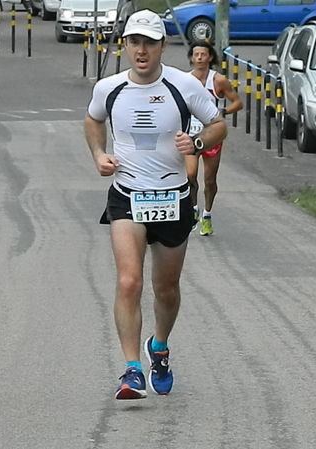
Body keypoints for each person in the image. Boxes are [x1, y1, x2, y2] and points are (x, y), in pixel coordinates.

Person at [84, 9, 227, 400]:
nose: (141, 50)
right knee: (129, 281)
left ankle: (158, 347)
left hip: (173, 198)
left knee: (166, 289)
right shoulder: (108, 88)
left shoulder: (184, 86)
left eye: (149, 42)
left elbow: (217, 124)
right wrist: (99, 154)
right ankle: (132, 370)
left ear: (163, 46)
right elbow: (93, 120)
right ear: (125, 45)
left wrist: (196, 143)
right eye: (135, 42)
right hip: (127, 195)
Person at [186, 41, 242, 236]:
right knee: (190, 175)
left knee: (209, 180)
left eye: (203, 54)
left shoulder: (218, 80)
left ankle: (207, 214)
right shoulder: (185, 80)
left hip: (212, 136)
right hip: (191, 135)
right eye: (196, 54)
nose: (199, 58)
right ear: (192, 58)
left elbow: (238, 103)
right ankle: (193, 208)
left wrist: (221, 112)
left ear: (210, 57)